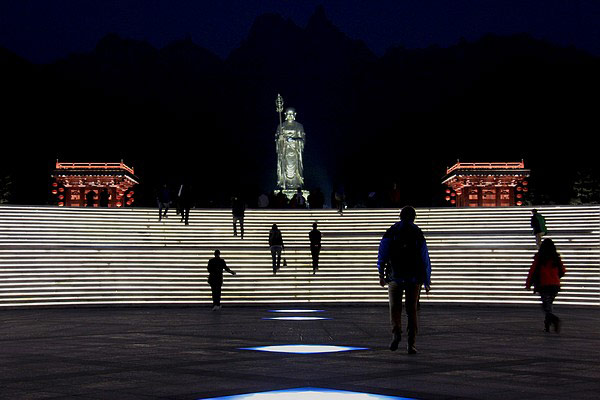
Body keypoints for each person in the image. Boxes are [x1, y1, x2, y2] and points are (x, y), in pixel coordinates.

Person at [377, 206, 431, 354]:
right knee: (411, 310)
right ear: (414, 217)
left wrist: (381, 274)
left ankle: (396, 333)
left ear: (400, 216)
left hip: (395, 276)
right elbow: (424, 256)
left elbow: (382, 252)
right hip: (414, 278)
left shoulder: (392, 231)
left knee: (394, 308)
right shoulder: (417, 232)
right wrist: (427, 280)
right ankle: (411, 343)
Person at [525, 238, 566, 333]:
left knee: (546, 306)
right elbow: (563, 271)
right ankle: (547, 325)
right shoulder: (556, 258)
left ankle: (554, 320)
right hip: (554, 285)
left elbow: (532, 271)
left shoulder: (540, 258)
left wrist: (528, 284)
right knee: (548, 305)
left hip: (543, 285)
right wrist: (555, 277)